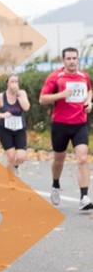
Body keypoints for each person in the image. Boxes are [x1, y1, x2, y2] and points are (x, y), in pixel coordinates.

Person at [38, 47, 93, 209]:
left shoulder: (84, 76)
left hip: (80, 124)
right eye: (68, 59)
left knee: (82, 159)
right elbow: (42, 99)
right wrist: (60, 95)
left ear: (77, 59)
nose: (72, 61)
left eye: (74, 58)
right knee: (59, 159)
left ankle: (84, 197)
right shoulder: (55, 77)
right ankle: (55, 185)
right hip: (60, 125)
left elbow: (89, 90)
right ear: (63, 60)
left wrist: (89, 103)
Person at [0, 75, 31, 174]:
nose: (15, 84)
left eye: (16, 82)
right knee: (11, 156)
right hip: (5, 130)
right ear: (7, 83)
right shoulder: (1, 97)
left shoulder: (22, 93)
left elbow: (26, 108)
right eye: (12, 82)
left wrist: (18, 94)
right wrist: (2, 115)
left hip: (19, 130)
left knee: (21, 157)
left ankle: (15, 165)